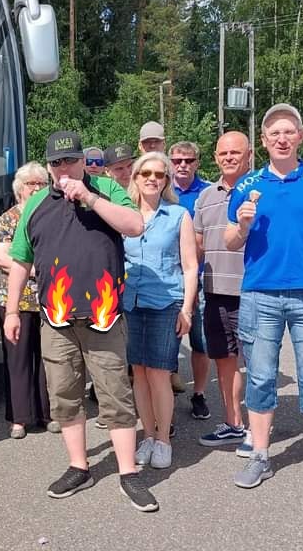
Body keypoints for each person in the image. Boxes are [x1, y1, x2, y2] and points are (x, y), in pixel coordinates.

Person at [5, 130, 159, 512]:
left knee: (115, 395)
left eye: (70, 161)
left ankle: (128, 473)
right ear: (48, 166)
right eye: (56, 163)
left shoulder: (106, 188)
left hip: (103, 317)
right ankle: (79, 467)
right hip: (56, 319)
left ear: (83, 163)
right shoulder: (36, 203)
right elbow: (20, 260)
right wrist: (11, 311)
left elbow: (135, 225)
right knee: (64, 396)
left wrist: (89, 198)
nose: (64, 169)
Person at [225, 103, 303, 504]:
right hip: (260, 294)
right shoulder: (247, 185)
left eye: (288, 132)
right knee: (260, 378)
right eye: (274, 133)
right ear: (263, 141)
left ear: (301, 136)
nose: (281, 139)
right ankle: (260, 456)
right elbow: (230, 241)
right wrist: (243, 225)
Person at [123, 152, 198, 470]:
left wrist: (187, 309)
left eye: (159, 174)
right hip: (130, 304)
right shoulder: (125, 216)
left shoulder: (178, 215)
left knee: (158, 374)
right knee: (138, 373)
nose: (152, 179)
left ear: (167, 180)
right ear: (136, 178)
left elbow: (190, 266)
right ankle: (149, 436)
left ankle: (164, 439)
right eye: (146, 173)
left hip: (166, 303)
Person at [195, 132, 254, 454]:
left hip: (253, 291)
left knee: (258, 364)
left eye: (235, 152)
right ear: (215, 157)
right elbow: (198, 246)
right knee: (224, 360)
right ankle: (234, 423)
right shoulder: (205, 197)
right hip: (215, 291)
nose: (229, 158)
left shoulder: (261, 190)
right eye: (223, 153)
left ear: (249, 154)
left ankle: (257, 429)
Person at [0, 162, 58, 439]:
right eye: (31, 183)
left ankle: (48, 414)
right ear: (20, 188)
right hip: (14, 301)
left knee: (48, 359)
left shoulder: (52, 215)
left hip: (49, 299)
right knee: (17, 361)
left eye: (41, 183)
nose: (36, 188)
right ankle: (19, 419)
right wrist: (34, 269)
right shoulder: (9, 218)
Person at [169, 141, 212, 418]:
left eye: (188, 160)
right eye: (177, 160)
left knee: (200, 341)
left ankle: (199, 393)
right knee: (167, 342)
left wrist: (194, 282)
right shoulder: (162, 190)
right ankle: (166, 403)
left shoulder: (207, 193)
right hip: (169, 278)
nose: (182, 165)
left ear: (197, 162)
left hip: (200, 276)